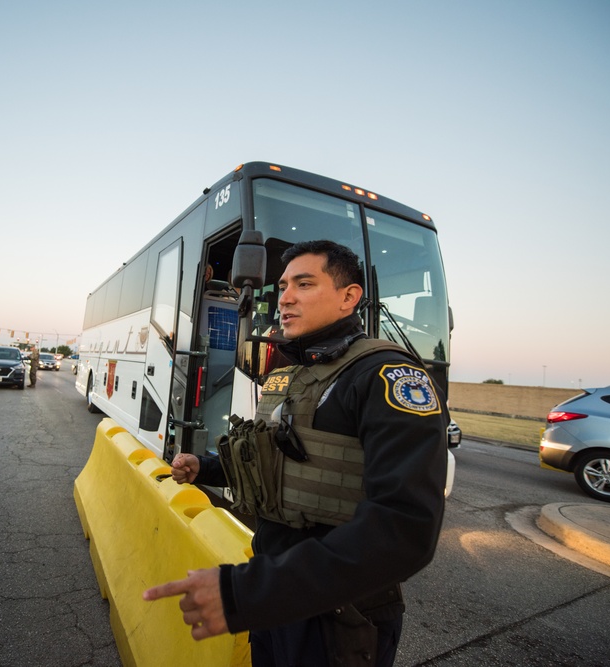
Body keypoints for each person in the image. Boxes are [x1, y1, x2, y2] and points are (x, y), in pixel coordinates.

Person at [143, 240, 448, 667]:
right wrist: (206, 467)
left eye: (304, 284)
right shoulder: (291, 373)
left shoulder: (385, 377)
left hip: (339, 609)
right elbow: (274, 461)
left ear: (349, 297)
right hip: (278, 595)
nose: (285, 297)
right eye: (283, 285)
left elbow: (404, 530)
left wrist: (245, 592)